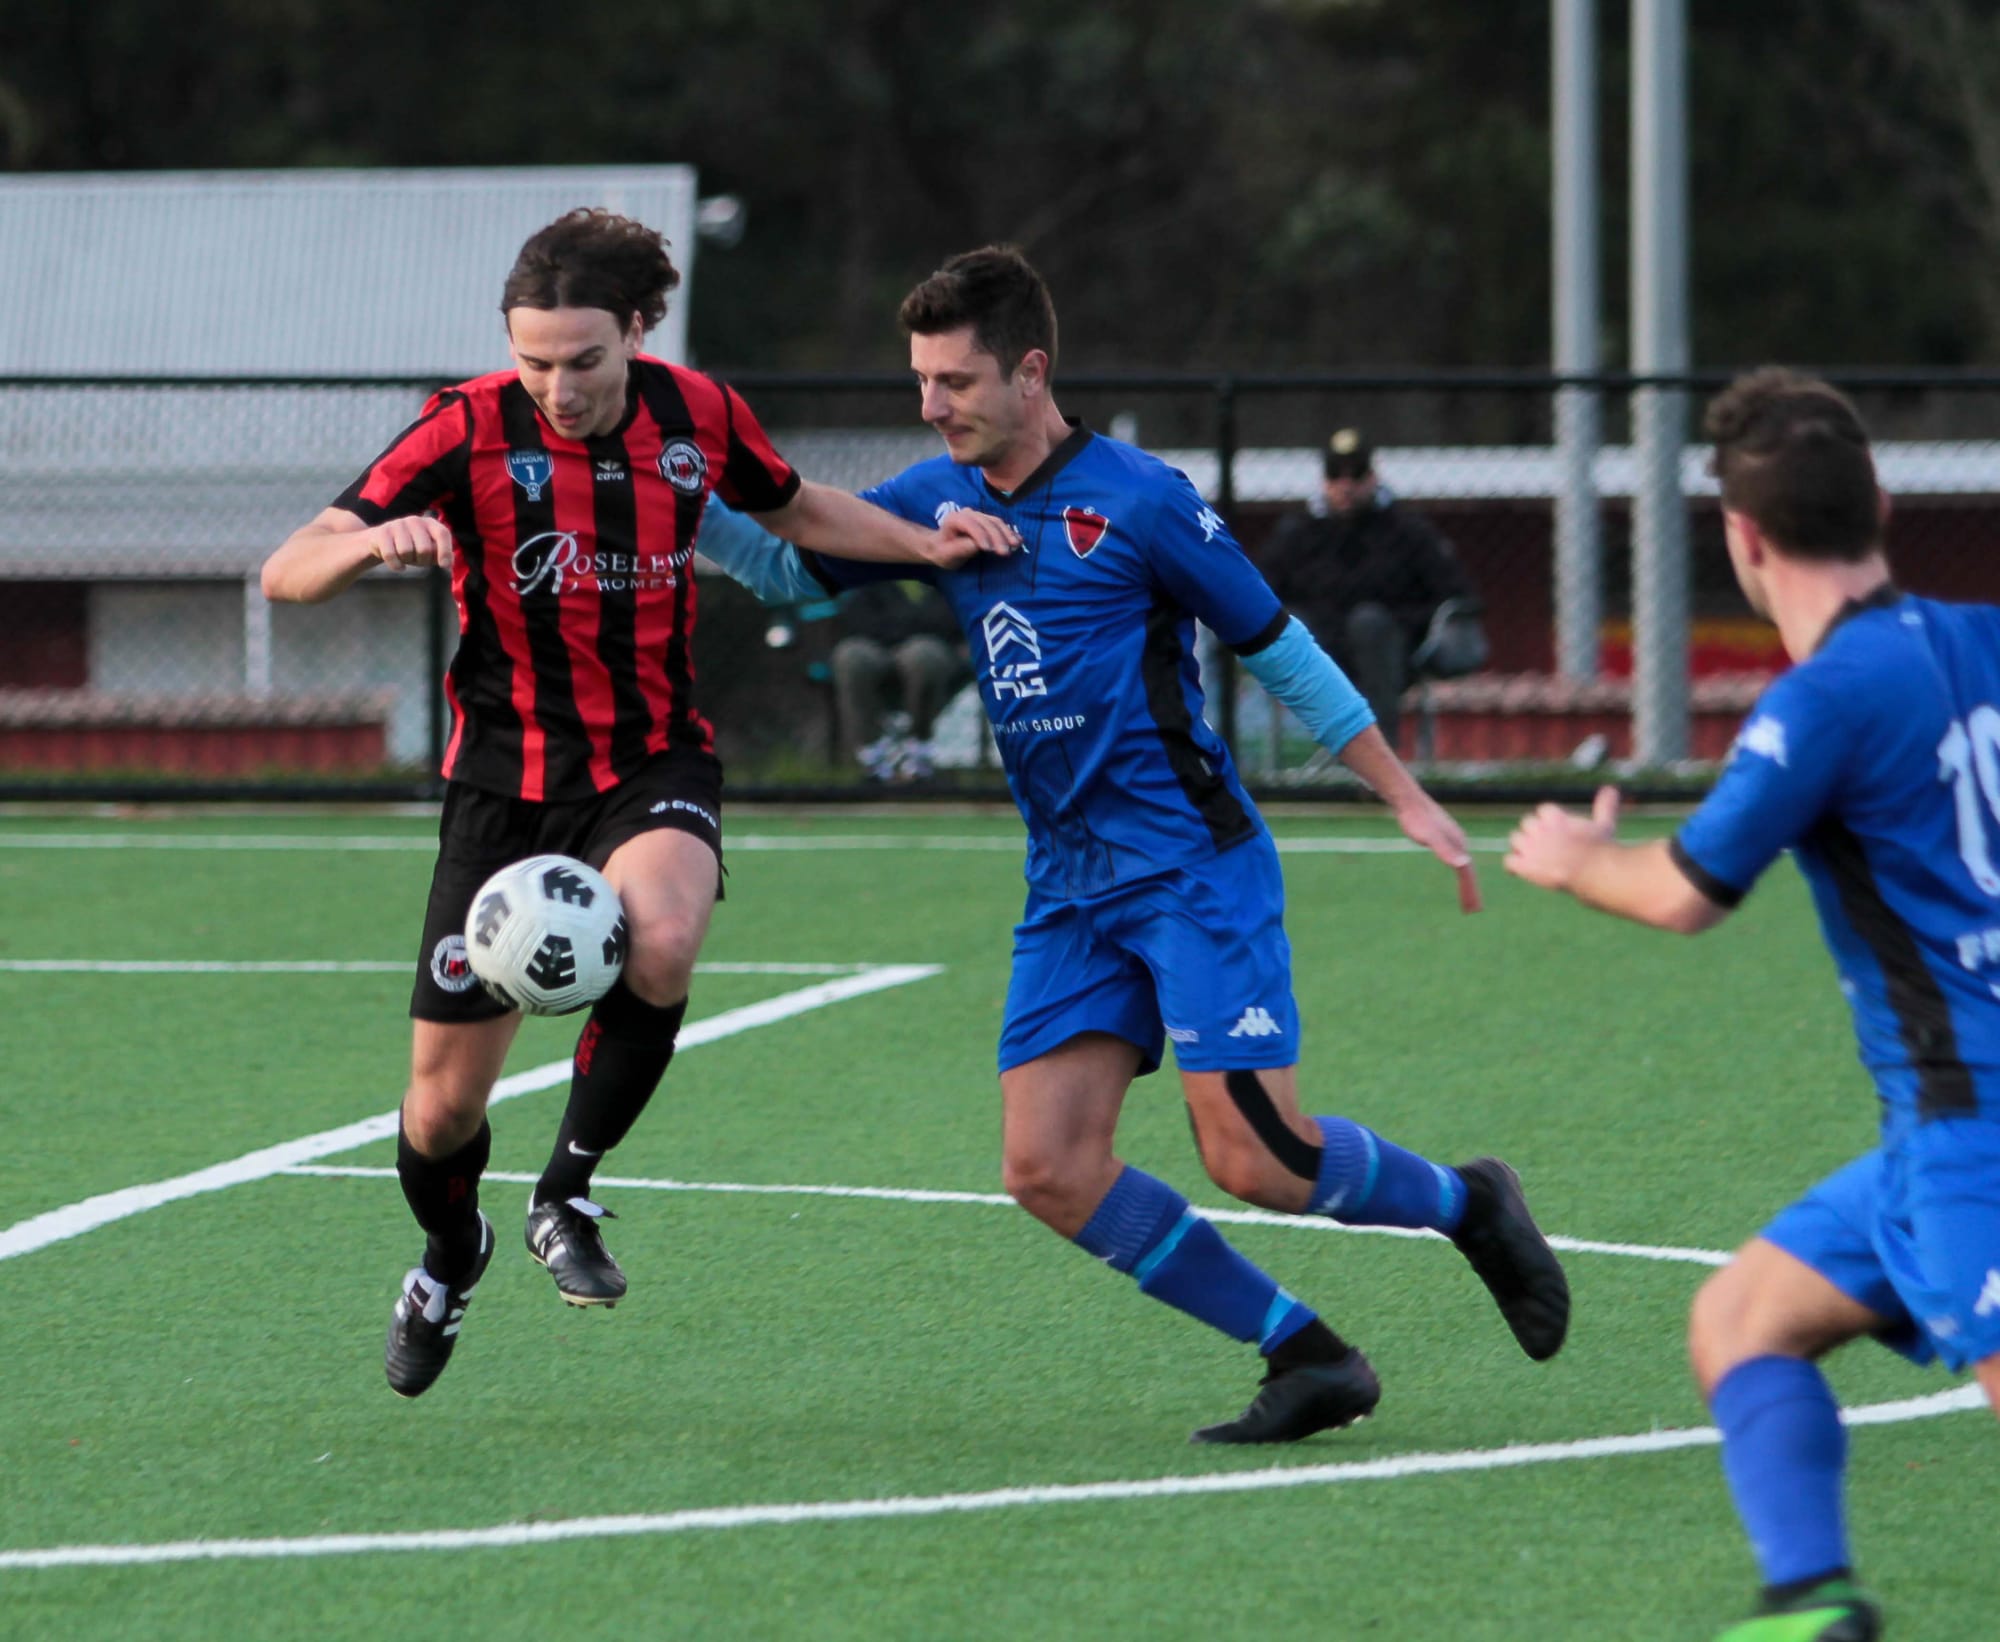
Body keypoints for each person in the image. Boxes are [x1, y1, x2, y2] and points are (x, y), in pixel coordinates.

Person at [698, 245, 1569, 1442]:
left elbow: (1277, 646)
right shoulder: (922, 501)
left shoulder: (1142, 498)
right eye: (919, 380)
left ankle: (1468, 1203)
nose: (930, 404)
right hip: (1067, 886)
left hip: (1189, 865)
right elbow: (779, 570)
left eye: (953, 380)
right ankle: (1305, 1354)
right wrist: (664, 485)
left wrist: (1404, 797)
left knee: (1256, 1157)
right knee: (1048, 1165)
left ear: (1029, 371)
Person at [260, 208, 1013, 1399]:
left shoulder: (697, 413)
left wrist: (929, 544)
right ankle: (453, 1254)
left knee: (660, 937)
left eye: (584, 360)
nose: (558, 387)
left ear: (640, 331)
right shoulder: (460, 429)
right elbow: (285, 565)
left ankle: (566, 1188)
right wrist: (360, 549)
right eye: (534, 362)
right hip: (499, 793)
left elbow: (798, 510)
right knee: (438, 1109)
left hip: (650, 762)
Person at [1505, 368, 2000, 1641]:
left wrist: (1571, 859)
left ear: (1740, 540)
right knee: (1740, 1316)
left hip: (1973, 1130)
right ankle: (1808, 1603)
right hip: (1924, 1136)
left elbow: (1682, 893)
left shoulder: (1818, 701)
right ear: (1878, 501)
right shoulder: (1979, 636)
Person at [1260, 427, 1485, 746]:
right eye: (1336, 474)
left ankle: (1380, 753)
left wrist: (1401, 623)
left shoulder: (1408, 533)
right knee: (1294, 627)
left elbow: (1456, 594)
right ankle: (1306, 756)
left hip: (1393, 655)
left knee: (1369, 623)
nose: (1346, 485)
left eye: (1357, 474)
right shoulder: (1297, 534)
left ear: (1373, 476)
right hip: (1320, 651)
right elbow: (1263, 592)